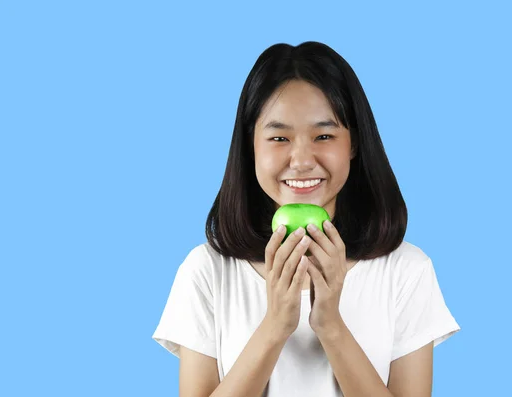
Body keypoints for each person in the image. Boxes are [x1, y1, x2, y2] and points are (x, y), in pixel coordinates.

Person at [152, 41, 461, 397]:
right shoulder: (207, 271)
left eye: (324, 135)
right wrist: (275, 326)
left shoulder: (406, 271)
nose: (300, 160)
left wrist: (330, 326)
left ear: (354, 144)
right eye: (279, 137)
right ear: (250, 145)